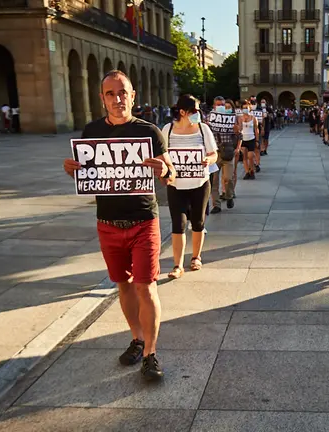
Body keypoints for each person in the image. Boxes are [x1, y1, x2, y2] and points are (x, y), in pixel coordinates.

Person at [62, 70, 173, 380]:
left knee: (145, 285)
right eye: (110, 93)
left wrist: (164, 169)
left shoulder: (149, 131)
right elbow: (86, 171)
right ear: (102, 98)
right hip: (108, 223)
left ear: (133, 95)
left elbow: (171, 174)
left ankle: (151, 353)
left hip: (143, 221)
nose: (117, 98)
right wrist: (72, 169)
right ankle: (136, 338)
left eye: (122, 92)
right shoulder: (92, 131)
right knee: (123, 284)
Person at [164, 94, 217, 278]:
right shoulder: (168, 130)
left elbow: (213, 154)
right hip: (176, 185)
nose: (198, 114)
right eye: (194, 111)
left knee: (198, 221)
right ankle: (177, 266)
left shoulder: (203, 130)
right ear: (182, 112)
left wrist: (208, 159)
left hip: (200, 183)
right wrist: (165, 169)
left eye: (199, 110)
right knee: (178, 224)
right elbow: (161, 155)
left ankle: (196, 257)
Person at [208, 96, 237, 213]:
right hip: (214, 153)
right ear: (214, 106)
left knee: (228, 178)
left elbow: (238, 135)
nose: (221, 107)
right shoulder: (209, 119)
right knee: (214, 181)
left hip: (227, 152)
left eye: (223, 105)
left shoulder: (231, 119)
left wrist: (236, 132)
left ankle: (229, 196)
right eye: (219, 105)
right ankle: (216, 205)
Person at [237, 99, 259, 180]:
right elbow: (239, 128)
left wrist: (257, 140)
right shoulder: (240, 118)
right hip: (243, 139)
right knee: (245, 157)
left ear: (250, 108)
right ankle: (247, 172)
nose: (245, 109)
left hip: (251, 138)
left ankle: (252, 170)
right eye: (244, 108)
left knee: (251, 156)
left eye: (247, 107)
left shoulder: (253, 118)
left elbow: (256, 130)